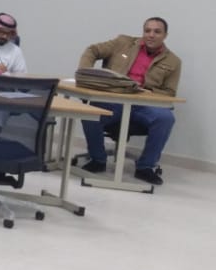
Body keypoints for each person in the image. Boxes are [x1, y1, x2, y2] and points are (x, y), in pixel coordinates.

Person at [77, 17, 182, 185]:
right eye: (147, 30)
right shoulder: (123, 42)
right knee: (91, 112)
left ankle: (145, 167)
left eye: (157, 32)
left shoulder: (173, 61)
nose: (151, 35)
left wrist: (147, 91)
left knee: (165, 118)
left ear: (165, 35)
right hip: (114, 100)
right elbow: (93, 50)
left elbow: (170, 93)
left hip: (144, 105)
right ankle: (98, 159)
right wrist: (86, 73)